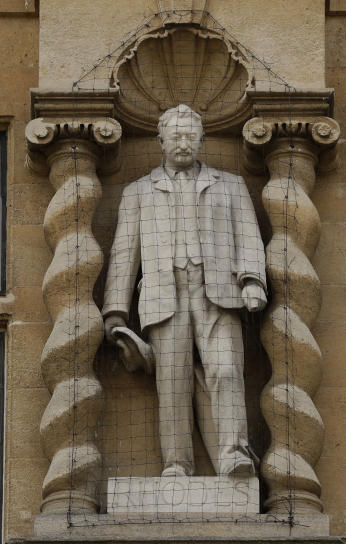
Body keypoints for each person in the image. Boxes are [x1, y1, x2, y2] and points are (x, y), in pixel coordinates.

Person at [102, 104, 267, 478]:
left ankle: (234, 455)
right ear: (160, 140)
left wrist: (253, 280)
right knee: (172, 384)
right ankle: (177, 464)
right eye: (175, 135)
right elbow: (124, 253)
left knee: (226, 371)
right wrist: (115, 312)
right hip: (163, 294)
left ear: (202, 139)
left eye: (190, 135)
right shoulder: (138, 192)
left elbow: (249, 237)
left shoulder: (230, 185)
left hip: (219, 293)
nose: (183, 142)